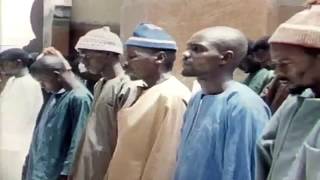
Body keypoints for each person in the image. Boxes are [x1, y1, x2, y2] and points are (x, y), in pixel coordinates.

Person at [174, 26, 270, 180]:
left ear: (225, 58)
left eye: (197, 49)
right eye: (188, 48)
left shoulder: (243, 105)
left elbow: (241, 171)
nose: (185, 54)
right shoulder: (197, 99)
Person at [106, 23, 191, 180]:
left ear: (159, 58)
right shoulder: (139, 89)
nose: (126, 63)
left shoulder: (172, 97)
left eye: (133, 57)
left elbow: (164, 161)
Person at [256, 2, 320, 180]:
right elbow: (264, 155)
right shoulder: (292, 104)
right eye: (275, 65)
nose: (278, 74)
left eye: (285, 64)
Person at [71, 26, 143, 180]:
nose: (83, 61)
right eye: (81, 55)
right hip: (89, 167)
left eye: (87, 56)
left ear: (108, 53)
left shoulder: (127, 86)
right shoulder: (100, 84)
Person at [23, 51, 93, 180]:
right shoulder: (56, 96)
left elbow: (78, 142)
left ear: (56, 75)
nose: (43, 87)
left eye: (43, 81)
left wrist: (66, 173)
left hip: (56, 174)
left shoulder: (79, 98)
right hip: (40, 171)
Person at [0, 48, 43, 180]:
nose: (1, 67)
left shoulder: (30, 84)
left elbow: (25, 117)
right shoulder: (12, 80)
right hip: (5, 142)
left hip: (18, 145)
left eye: (4, 63)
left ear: (18, 63)